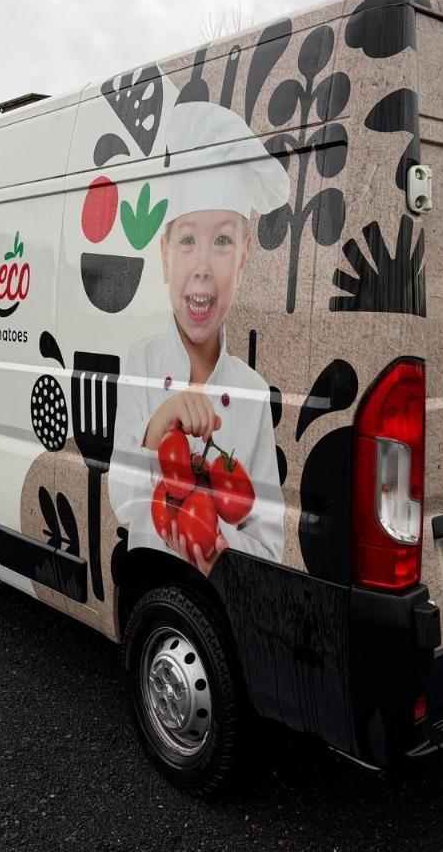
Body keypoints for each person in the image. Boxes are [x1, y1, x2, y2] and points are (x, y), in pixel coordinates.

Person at [108, 102, 288, 573]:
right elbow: (123, 501)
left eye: (223, 241)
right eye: (187, 240)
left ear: (244, 258)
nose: (203, 265)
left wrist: (215, 540)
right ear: (165, 256)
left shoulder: (251, 392)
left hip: (218, 600)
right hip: (150, 588)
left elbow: (270, 545)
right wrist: (158, 425)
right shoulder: (141, 363)